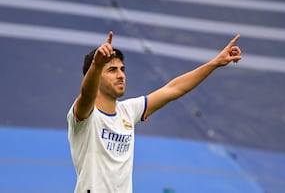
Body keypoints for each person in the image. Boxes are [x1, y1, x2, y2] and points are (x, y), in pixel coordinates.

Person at [67, 31, 242, 193]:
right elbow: (87, 94)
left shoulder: (128, 111)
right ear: (96, 76)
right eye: (112, 70)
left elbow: (174, 89)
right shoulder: (85, 115)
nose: (121, 75)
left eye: (122, 69)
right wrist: (97, 64)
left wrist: (215, 63)